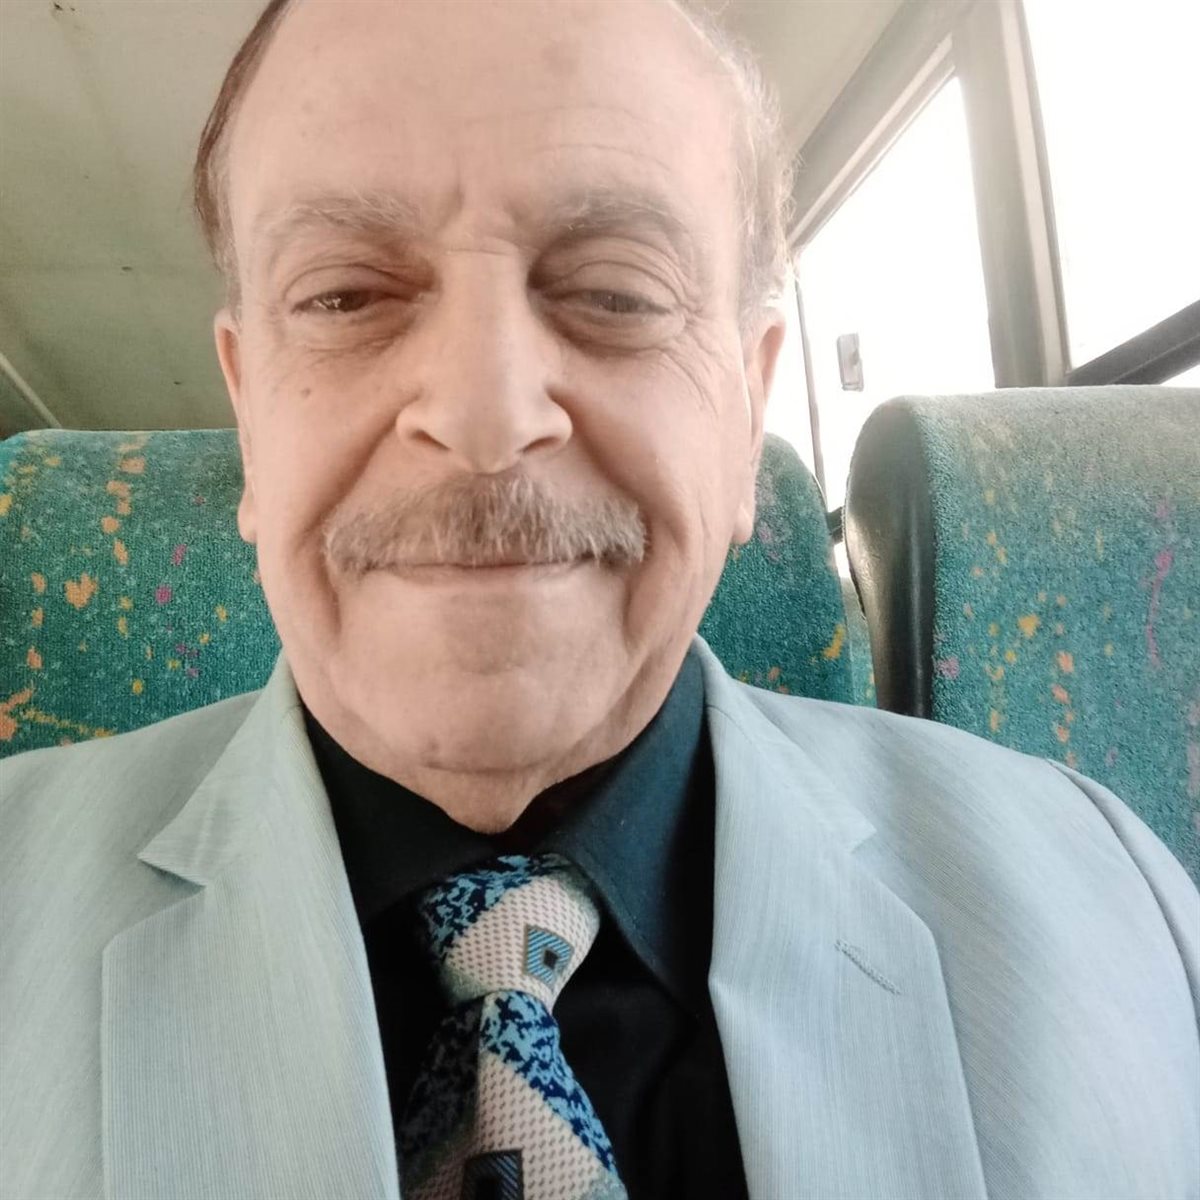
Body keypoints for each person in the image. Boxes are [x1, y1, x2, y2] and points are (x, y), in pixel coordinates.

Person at [1, 0, 1197, 1197]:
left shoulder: (1117, 912)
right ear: (250, 414)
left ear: (747, 410)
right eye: (347, 296)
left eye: (619, 292)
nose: (483, 418)